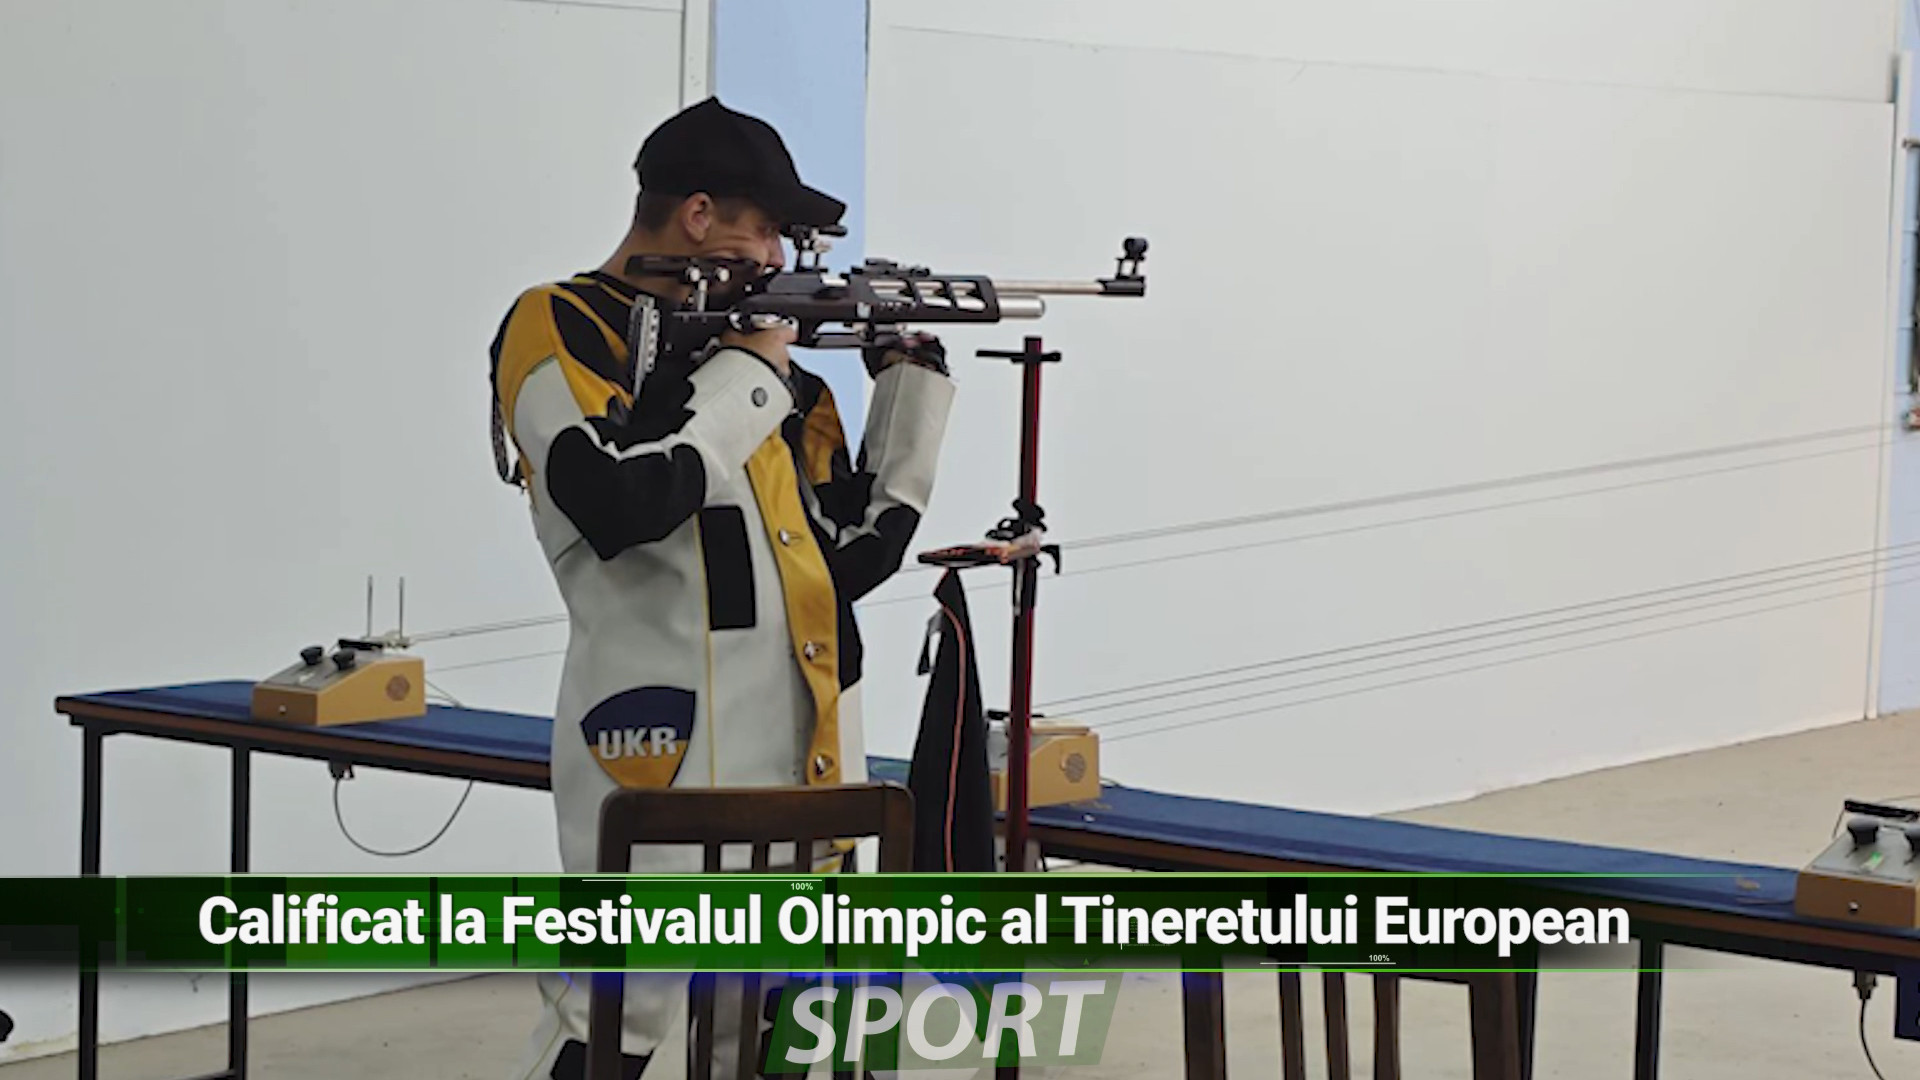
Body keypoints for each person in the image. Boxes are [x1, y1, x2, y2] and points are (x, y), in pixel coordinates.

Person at [488, 98, 956, 1079]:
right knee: (617, 1011)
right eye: (767, 228)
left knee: (783, 1020)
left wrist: (909, 390)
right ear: (698, 215)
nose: (779, 255)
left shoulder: (771, 380)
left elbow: (846, 560)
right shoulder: (561, 324)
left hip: (806, 750)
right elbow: (615, 499)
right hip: (656, 743)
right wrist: (749, 375)